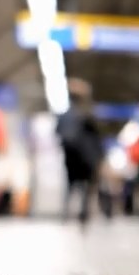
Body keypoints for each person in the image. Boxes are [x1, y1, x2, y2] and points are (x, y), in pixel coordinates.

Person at [56, 81, 104, 225]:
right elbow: (97, 139)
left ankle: (66, 214)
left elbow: (57, 133)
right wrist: (99, 157)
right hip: (85, 159)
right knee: (85, 188)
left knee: (70, 186)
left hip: (70, 158)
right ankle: (83, 215)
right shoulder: (88, 115)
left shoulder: (64, 116)